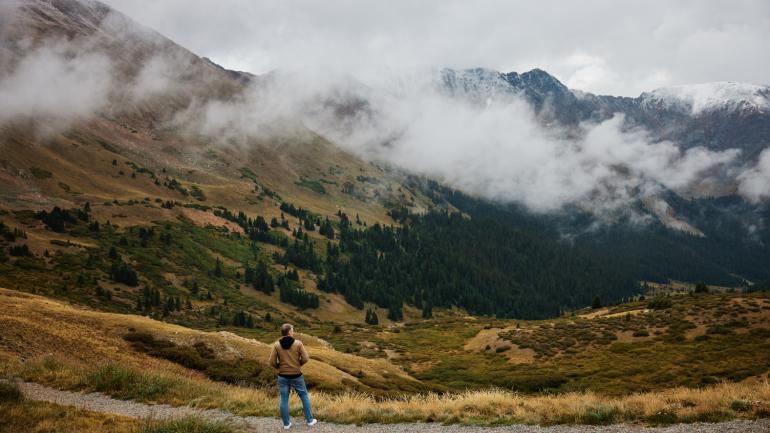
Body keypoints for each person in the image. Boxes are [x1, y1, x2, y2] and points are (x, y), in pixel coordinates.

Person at [268, 323, 317, 429]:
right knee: (304, 396)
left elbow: (271, 362)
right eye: (292, 330)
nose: (293, 332)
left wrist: (279, 367)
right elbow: (306, 358)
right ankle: (309, 420)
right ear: (289, 332)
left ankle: (286, 424)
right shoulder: (298, 343)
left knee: (284, 399)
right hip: (296, 375)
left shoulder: (276, 345)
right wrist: (298, 364)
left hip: (282, 376)